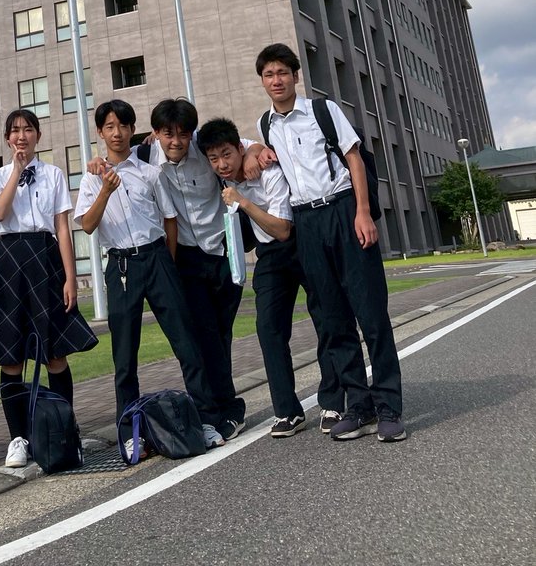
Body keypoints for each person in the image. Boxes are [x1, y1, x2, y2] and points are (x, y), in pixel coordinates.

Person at [253, 44, 405, 442]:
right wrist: (255, 149)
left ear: (295, 75)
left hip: (343, 211)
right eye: (269, 74)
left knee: (371, 313)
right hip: (306, 222)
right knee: (333, 319)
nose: (277, 80)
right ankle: (359, 406)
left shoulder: (323, 110)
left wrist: (362, 212)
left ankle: (389, 406)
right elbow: (255, 156)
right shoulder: (265, 125)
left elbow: (354, 159)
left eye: (283, 72)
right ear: (263, 81)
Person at [74, 99, 236, 456]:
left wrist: (169, 264)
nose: (117, 133)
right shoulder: (91, 177)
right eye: (110, 127)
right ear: (100, 133)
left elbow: (169, 221)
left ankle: (206, 420)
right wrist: (104, 189)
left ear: (134, 131)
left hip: (158, 258)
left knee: (186, 344)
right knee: (124, 356)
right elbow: (86, 224)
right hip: (120, 266)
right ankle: (130, 431)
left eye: (124, 126)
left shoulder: (150, 171)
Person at [197, 116, 343, 437]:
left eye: (227, 155)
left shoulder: (268, 169)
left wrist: (243, 201)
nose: (221, 164)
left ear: (239, 149)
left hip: (299, 242)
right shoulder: (232, 161)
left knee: (325, 320)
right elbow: (183, 140)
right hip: (269, 258)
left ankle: (333, 401)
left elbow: (281, 229)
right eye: (214, 158)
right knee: (268, 329)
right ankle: (288, 412)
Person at [0, 109, 97, 467]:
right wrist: (16, 171)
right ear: (8, 139)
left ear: (38, 135)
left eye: (28, 129)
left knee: (55, 352)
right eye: (14, 131)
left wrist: (70, 277)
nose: (21, 136)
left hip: (45, 261)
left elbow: (61, 228)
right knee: (11, 356)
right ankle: (19, 438)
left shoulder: (54, 173)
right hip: (9, 261)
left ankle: (65, 431)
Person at [146, 98, 246, 433]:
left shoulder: (206, 150)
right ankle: (216, 412)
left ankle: (226, 410)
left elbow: (242, 147)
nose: (175, 141)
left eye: (182, 134)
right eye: (167, 134)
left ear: (192, 134)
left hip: (222, 252)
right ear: (156, 133)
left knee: (220, 335)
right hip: (185, 259)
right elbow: (116, 159)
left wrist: (259, 148)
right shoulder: (146, 157)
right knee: (202, 337)